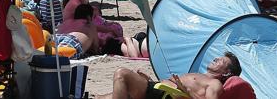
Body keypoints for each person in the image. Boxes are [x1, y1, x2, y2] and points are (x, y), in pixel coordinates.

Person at [100, 53, 253, 99]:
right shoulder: (198, 74)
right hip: (154, 87)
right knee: (104, 97)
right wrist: (149, 79)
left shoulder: (214, 84)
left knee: (121, 73)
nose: (216, 59)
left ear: (226, 72)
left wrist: (185, 89)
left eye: (221, 61)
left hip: (161, 94)